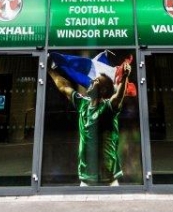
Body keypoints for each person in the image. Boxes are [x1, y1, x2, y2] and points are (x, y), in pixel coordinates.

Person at [48, 58, 132, 186]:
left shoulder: (107, 109)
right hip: (86, 178)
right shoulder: (83, 103)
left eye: (96, 81)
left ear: (102, 91)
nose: (92, 80)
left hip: (108, 179)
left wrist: (125, 77)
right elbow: (64, 87)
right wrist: (49, 69)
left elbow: (118, 97)